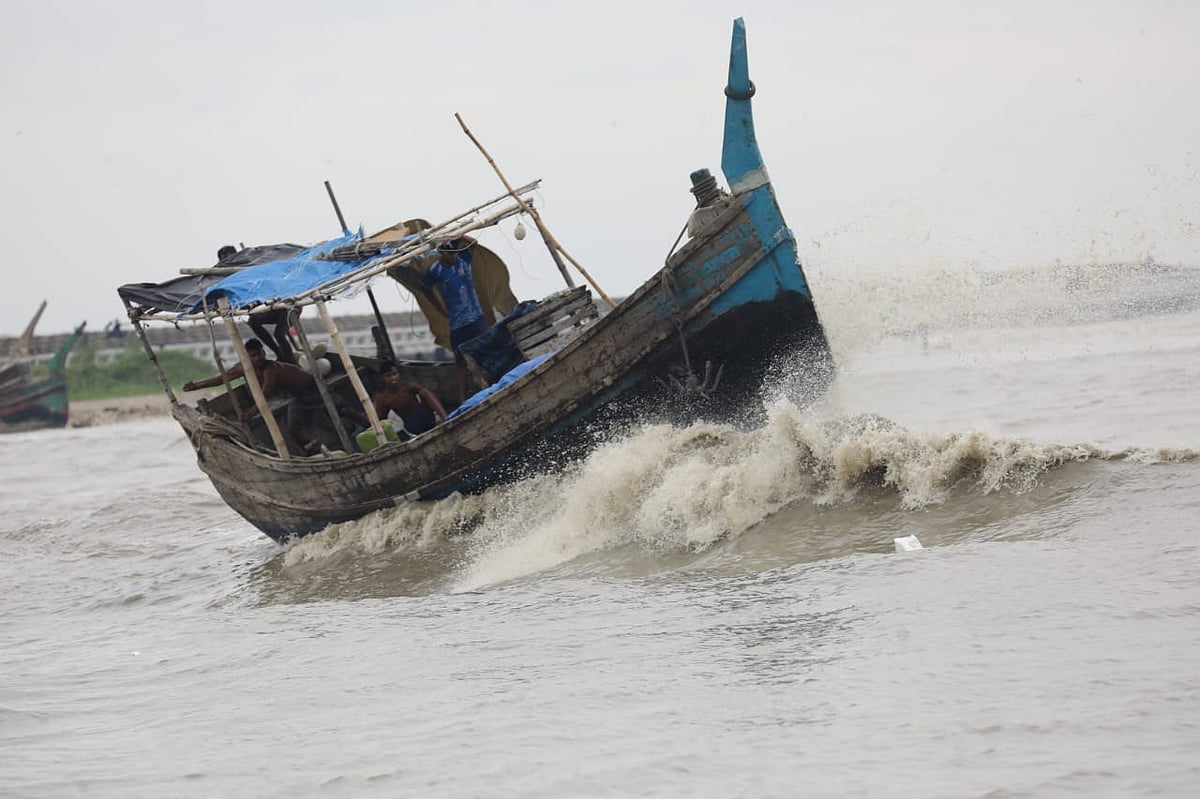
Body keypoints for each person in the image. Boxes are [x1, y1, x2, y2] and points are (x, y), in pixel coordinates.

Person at [183, 337, 323, 452]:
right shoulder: (243, 367)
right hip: (291, 392)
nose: (258, 358)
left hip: (308, 388)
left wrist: (249, 413)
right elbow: (221, 379)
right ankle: (309, 447)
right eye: (253, 356)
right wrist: (196, 385)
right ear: (247, 357)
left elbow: (265, 394)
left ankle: (312, 449)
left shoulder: (271, 369)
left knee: (293, 426)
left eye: (260, 354)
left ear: (263, 352)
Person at [421, 239, 488, 403]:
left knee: (486, 351)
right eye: (450, 254)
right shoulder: (435, 270)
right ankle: (462, 397)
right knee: (460, 363)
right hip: (457, 323)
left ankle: (490, 383)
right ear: (442, 253)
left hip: (476, 317)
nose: (453, 257)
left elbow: (474, 243)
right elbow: (424, 287)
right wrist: (439, 308)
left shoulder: (464, 258)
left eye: (455, 253)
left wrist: (457, 234)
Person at [217, 244, 297, 365]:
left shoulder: (250, 266)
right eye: (225, 260)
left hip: (287, 306)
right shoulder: (231, 278)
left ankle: (291, 363)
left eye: (230, 258)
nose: (228, 262)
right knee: (253, 321)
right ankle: (279, 354)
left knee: (279, 334)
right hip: (273, 309)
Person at [372, 360, 447, 437]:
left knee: (424, 392)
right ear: (382, 378)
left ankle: (446, 419)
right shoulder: (383, 398)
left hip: (427, 420)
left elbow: (427, 394)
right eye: (388, 376)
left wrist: (445, 418)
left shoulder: (407, 386)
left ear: (398, 374)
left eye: (394, 374)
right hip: (412, 427)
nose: (392, 378)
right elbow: (379, 422)